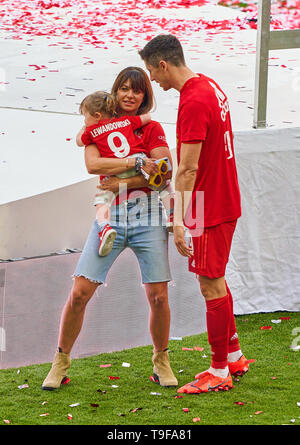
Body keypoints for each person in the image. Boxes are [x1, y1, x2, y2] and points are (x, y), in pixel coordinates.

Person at [42, 67, 178, 391]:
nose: (130, 95)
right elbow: (92, 165)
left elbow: (166, 170)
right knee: (79, 293)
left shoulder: (151, 127)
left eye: (138, 90)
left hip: (147, 214)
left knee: (158, 296)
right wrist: (136, 164)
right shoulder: (100, 126)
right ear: (115, 92)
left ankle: (162, 360)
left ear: (146, 96)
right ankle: (60, 361)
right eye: (124, 89)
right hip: (111, 215)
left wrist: (123, 181)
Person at [139, 35, 252, 394]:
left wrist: (178, 223)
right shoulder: (210, 85)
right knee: (216, 278)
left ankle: (219, 371)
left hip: (209, 206)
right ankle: (232, 355)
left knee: (209, 284)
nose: (152, 82)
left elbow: (188, 169)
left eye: (152, 73)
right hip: (225, 198)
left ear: (163, 65)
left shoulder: (192, 101)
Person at [76, 90, 174, 256]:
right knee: (164, 185)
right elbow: (147, 117)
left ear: (97, 115)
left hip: (117, 169)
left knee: (102, 198)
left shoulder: (91, 132)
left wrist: (86, 127)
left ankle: (104, 227)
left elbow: (79, 141)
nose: (85, 121)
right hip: (139, 161)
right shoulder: (126, 122)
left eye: (86, 116)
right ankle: (171, 214)